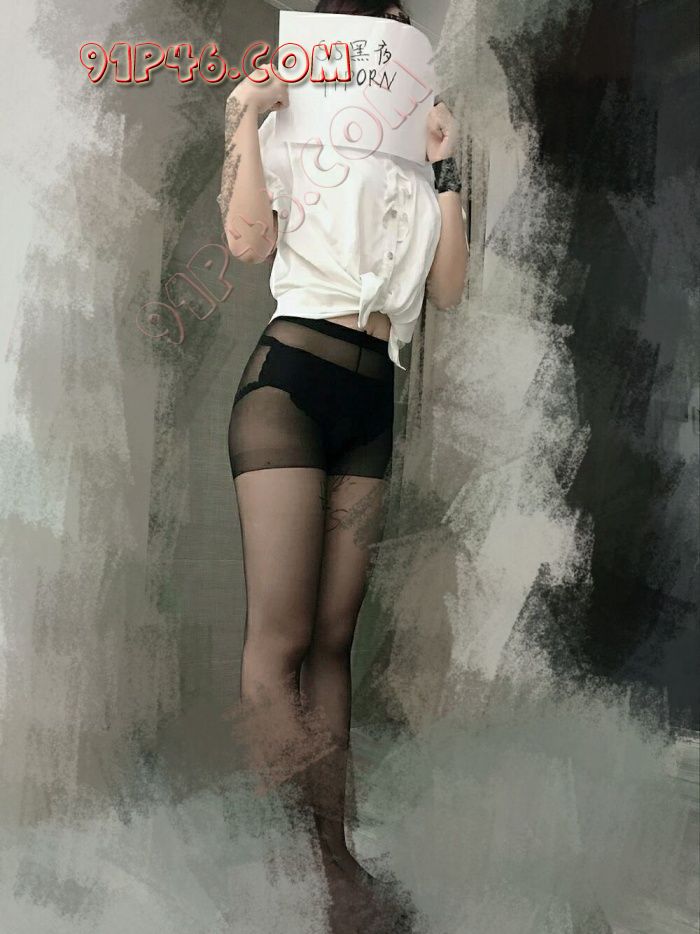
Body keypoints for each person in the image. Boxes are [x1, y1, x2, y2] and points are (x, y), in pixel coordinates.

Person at [217, 0, 468, 906]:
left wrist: (447, 168)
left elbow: (448, 289)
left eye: (399, 25)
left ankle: (334, 863)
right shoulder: (296, 126)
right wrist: (250, 115)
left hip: (370, 402)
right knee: (278, 645)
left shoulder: (412, 160)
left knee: (332, 643)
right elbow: (247, 242)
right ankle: (324, 878)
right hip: (288, 386)